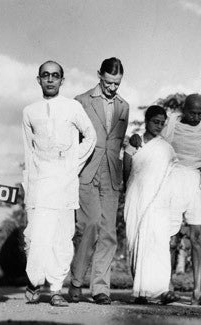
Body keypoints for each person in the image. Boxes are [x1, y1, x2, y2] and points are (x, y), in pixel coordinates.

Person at [130, 94, 201, 306]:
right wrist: (137, 139)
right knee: (166, 235)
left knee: (197, 236)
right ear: (184, 110)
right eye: (192, 113)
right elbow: (154, 143)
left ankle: (197, 291)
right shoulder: (170, 124)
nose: (197, 117)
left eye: (200, 113)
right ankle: (165, 287)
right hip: (171, 180)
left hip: (195, 181)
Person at [22, 60, 97, 307]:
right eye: (46, 75)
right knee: (36, 235)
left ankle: (55, 289)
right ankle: (34, 282)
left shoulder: (72, 107)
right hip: (40, 182)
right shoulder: (29, 111)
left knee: (62, 236)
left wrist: (73, 164)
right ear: (39, 79)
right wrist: (29, 185)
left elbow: (91, 136)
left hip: (65, 182)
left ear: (62, 80)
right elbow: (28, 152)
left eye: (55, 75)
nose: (50, 79)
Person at [70, 57, 129, 305]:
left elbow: (117, 143)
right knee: (90, 225)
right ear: (99, 75)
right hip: (86, 171)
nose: (112, 88)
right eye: (108, 82)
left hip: (112, 175)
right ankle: (75, 283)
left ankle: (100, 289)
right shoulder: (81, 102)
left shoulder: (124, 106)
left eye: (117, 83)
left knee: (108, 233)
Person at [123, 105, 167, 186]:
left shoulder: (164, 146)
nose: (159, 126)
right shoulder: (134, 144)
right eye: (156, 122)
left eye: (162, 123)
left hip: (157, 190)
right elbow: (126, 173)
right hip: (135, 189)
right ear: (146, 121)